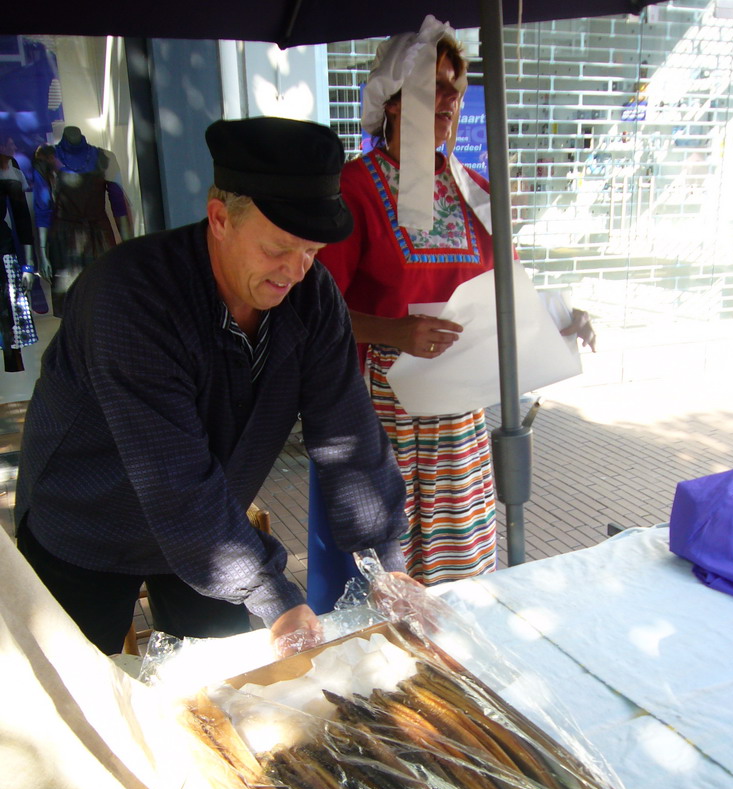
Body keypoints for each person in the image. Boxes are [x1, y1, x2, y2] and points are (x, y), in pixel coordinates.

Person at [15, 116, 407, 657]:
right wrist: (274, 593)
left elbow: (349, 440)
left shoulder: (312, 297)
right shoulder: (130, 298)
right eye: (278, 248)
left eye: (312, 252)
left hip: (213, 524)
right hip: (88, 521)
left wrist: (386, 566)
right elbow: (175, 482)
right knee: (75, 701)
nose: (295, 271)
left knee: (222, 690)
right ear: (220, 218)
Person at [315, 16, 594, 600]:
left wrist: (560, 321)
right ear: (392, 102)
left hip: (457, 415)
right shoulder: (354, 188)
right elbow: (313, 312)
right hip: (378, 410)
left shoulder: (473, 189)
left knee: (457, 571)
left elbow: (505, 297)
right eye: (433, 84)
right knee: (383, 570)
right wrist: (395, 329)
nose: (449, 98)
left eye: (455, 87)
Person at [34, 125, 133, 315]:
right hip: (64, 242)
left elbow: (119, 204)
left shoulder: (105, 158)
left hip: (100, 238)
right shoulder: (46, 159)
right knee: (72, 307)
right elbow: (43, 208)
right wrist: (43, 252)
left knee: (105, 301)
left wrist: (129, 247)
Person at [0, 138, 38, 373]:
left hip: (2, 248)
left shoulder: (6, 165)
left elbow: (21, 216)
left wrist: (28, 263)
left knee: (8, 310)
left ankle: (13, 363)